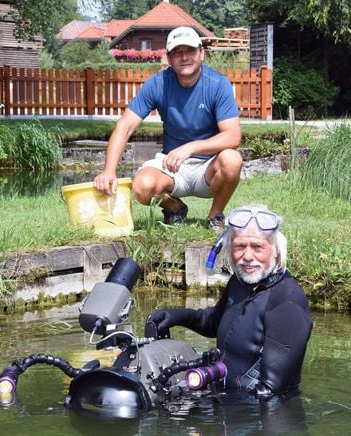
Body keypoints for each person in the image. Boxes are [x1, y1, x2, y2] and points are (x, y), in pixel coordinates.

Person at [145, 204, 313, 399]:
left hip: (256, 417)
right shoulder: (240, 282)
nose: (247, 257)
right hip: (224, 398)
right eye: (240, 246)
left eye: (258, 247)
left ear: (276, 250)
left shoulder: (287, 302)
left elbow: (271, 393)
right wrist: (177, 316)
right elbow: (216, 323)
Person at [93, 26, 243, 232]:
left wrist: (189, 148)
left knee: (232, 159)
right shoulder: (157, 84)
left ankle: (215, 215)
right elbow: (125, 125)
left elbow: (233, 136)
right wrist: (109, 171)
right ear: (169, 58)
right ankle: (175, 208)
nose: (184, 58)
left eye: (190, 51)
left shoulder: (218, 84)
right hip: (172, 168)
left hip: (209, 167)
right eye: (177, 52)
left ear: (201, 52)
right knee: (141, 187)